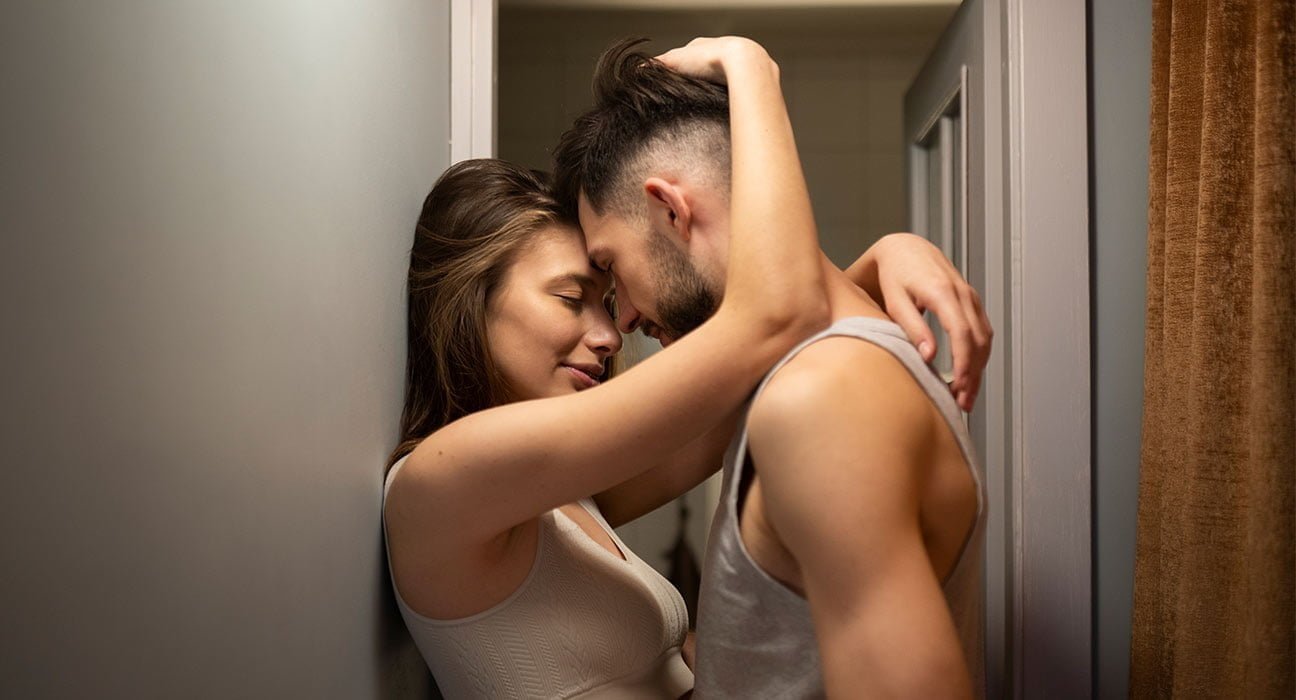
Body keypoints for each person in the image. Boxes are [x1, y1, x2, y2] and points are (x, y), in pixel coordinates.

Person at [553, 37, 991, 698]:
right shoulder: (821, 371)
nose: (626, 320)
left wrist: (748, 64)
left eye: (613, 268)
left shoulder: (822, 400)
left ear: (671, 210)